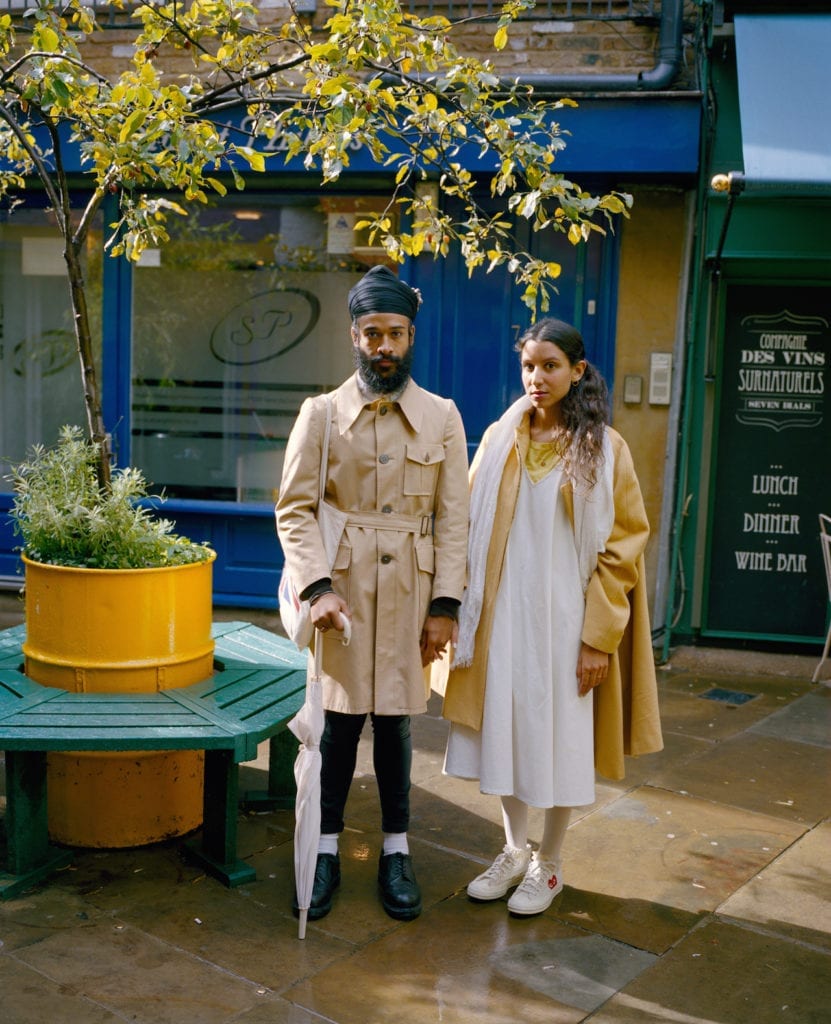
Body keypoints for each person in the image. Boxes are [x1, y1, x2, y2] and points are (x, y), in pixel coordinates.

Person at [437, 316, 662, 917]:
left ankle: (551, 863)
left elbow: (623, 549)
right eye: (529, 366)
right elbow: (462, 526)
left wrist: (597, 639)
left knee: (562, 741)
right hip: (503, 615)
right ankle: (513, 850)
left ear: (577, 371)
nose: (537, 378)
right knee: (505, 732)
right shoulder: (498, 438)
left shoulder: (605, 449)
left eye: (550, 366)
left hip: (568, 619)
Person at [275, 264, 469, 922]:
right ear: (354, 337)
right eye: (371, 334)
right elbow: (294, 510)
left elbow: (453, 520)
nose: (383, 346)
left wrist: (445, 607)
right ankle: (324, 850)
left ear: (411, 336)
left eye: (395, 333)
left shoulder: (442, 417)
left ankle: (395, 851)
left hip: (413, 595)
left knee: (395, 725)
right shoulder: (322, 415)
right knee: (336, 724)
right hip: (345, 597)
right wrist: (317, 589)